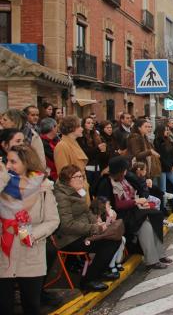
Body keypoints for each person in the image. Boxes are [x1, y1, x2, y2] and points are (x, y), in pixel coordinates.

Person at [0, 145, 59, 315]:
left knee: (31, 305)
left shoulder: (44, 188)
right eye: (7, 161)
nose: (8, 165)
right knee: (4, 306)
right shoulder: (4, 185)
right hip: (4, 254)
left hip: (31, 254)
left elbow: (53, 220)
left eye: (13, 162)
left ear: (26, 163)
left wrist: (32, 235)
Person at [53, 165, 121, 291]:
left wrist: (97, 222)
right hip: (69, 239)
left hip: (83, 233)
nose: (81, 179)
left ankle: (99, 271)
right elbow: (67, 225)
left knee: (115, 238)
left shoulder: (76, 190)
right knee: (110, 242)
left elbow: (87, 212)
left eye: (82, 176)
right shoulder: (62, 196)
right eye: (77, 177)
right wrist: (95, 228)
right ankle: (88, 280)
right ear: (67, 179)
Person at [100, 156, 170, 269]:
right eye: (124, 169)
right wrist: (136, 202)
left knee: (155, 218)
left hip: (134, 210)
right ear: (120, 171)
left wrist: (142, 200)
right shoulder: (106, 183)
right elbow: (116, 205)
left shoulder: (127, 178)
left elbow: (140, 189)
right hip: (120, 216)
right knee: (145, 225)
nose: (126, 171)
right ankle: (152, 260)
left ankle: (160, 255)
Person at [54, 115, 90, 199]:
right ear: (71, 128)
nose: (82, 129)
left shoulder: (73, 143)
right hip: (74, 194)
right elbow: (63, 174)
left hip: (81, 189)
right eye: (79, 126)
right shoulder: (62, 146)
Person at [153, 123, 173, 214]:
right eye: (165, 130)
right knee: (163, 190)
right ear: (161, 131)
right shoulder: (157, 141)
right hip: (162, 168)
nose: (167, 131)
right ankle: (164, 208)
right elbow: (160, 157)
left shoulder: (170, 140)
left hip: (170, 167)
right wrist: (170, 166)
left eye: (168, 130)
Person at [77, 116, 108, 197]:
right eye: (88, 123)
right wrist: (98, 149)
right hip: (88, 168)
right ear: (83, 125)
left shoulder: (96, 135)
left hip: (97, 167)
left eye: (92, 123)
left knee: (96, 191)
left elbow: (100, 153)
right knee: (89, 191)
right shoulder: (81, 137)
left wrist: (103, 150)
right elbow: (85, 152)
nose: (91, 125)